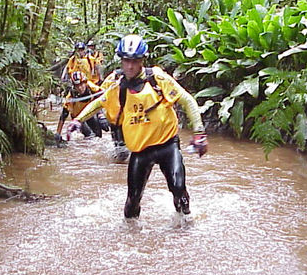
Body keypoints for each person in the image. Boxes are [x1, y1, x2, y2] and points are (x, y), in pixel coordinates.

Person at [67, 34, 208, 218]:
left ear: (142, 60)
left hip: (167, 145)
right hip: (140, 151)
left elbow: (187, 100)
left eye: (135, 61)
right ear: (121, 61)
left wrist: (199, 133)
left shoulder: (157, 79)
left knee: (178, 189)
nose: (130, 66)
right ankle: (131, 237)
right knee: (132, 202)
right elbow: (99, 102)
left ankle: (185, 223)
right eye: (126, 61)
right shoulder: (117, 86)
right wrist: (78, 120)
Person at [54, 71, 109, 144]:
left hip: (90, 114)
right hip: (78, 118)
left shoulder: (92, 88)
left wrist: (102, 116)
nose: (80, 88)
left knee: (98, 136)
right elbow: (63, 115)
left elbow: (104, 98)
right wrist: (58, 133)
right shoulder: (71, 96)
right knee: (90, 136)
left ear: (85, 82)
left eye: (81, 84)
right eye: (77, 86)